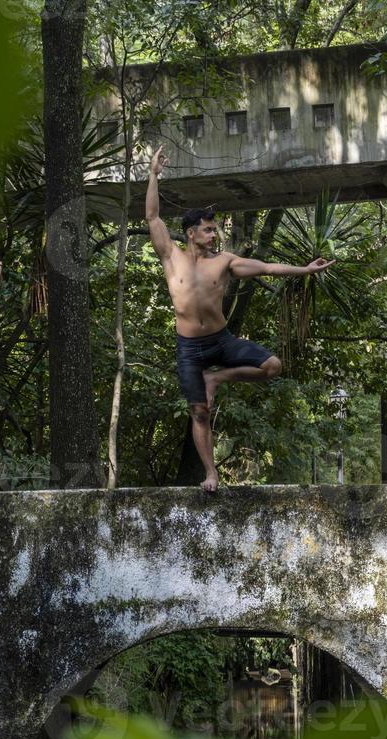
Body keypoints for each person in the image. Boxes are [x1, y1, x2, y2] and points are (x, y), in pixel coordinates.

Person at [145, 144, 335, 492]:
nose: (213, 234)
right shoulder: (170, 256)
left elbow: (268, 268)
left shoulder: (225, 262)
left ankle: (217, 379)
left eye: (214, 229)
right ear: (190, 233)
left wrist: (305, 270)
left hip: (222, 341)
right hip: (189, 348)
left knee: (272, 366)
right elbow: (153, 218)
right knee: (199, 412)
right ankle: (211, 474)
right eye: (206, 229)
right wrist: (154, 175)